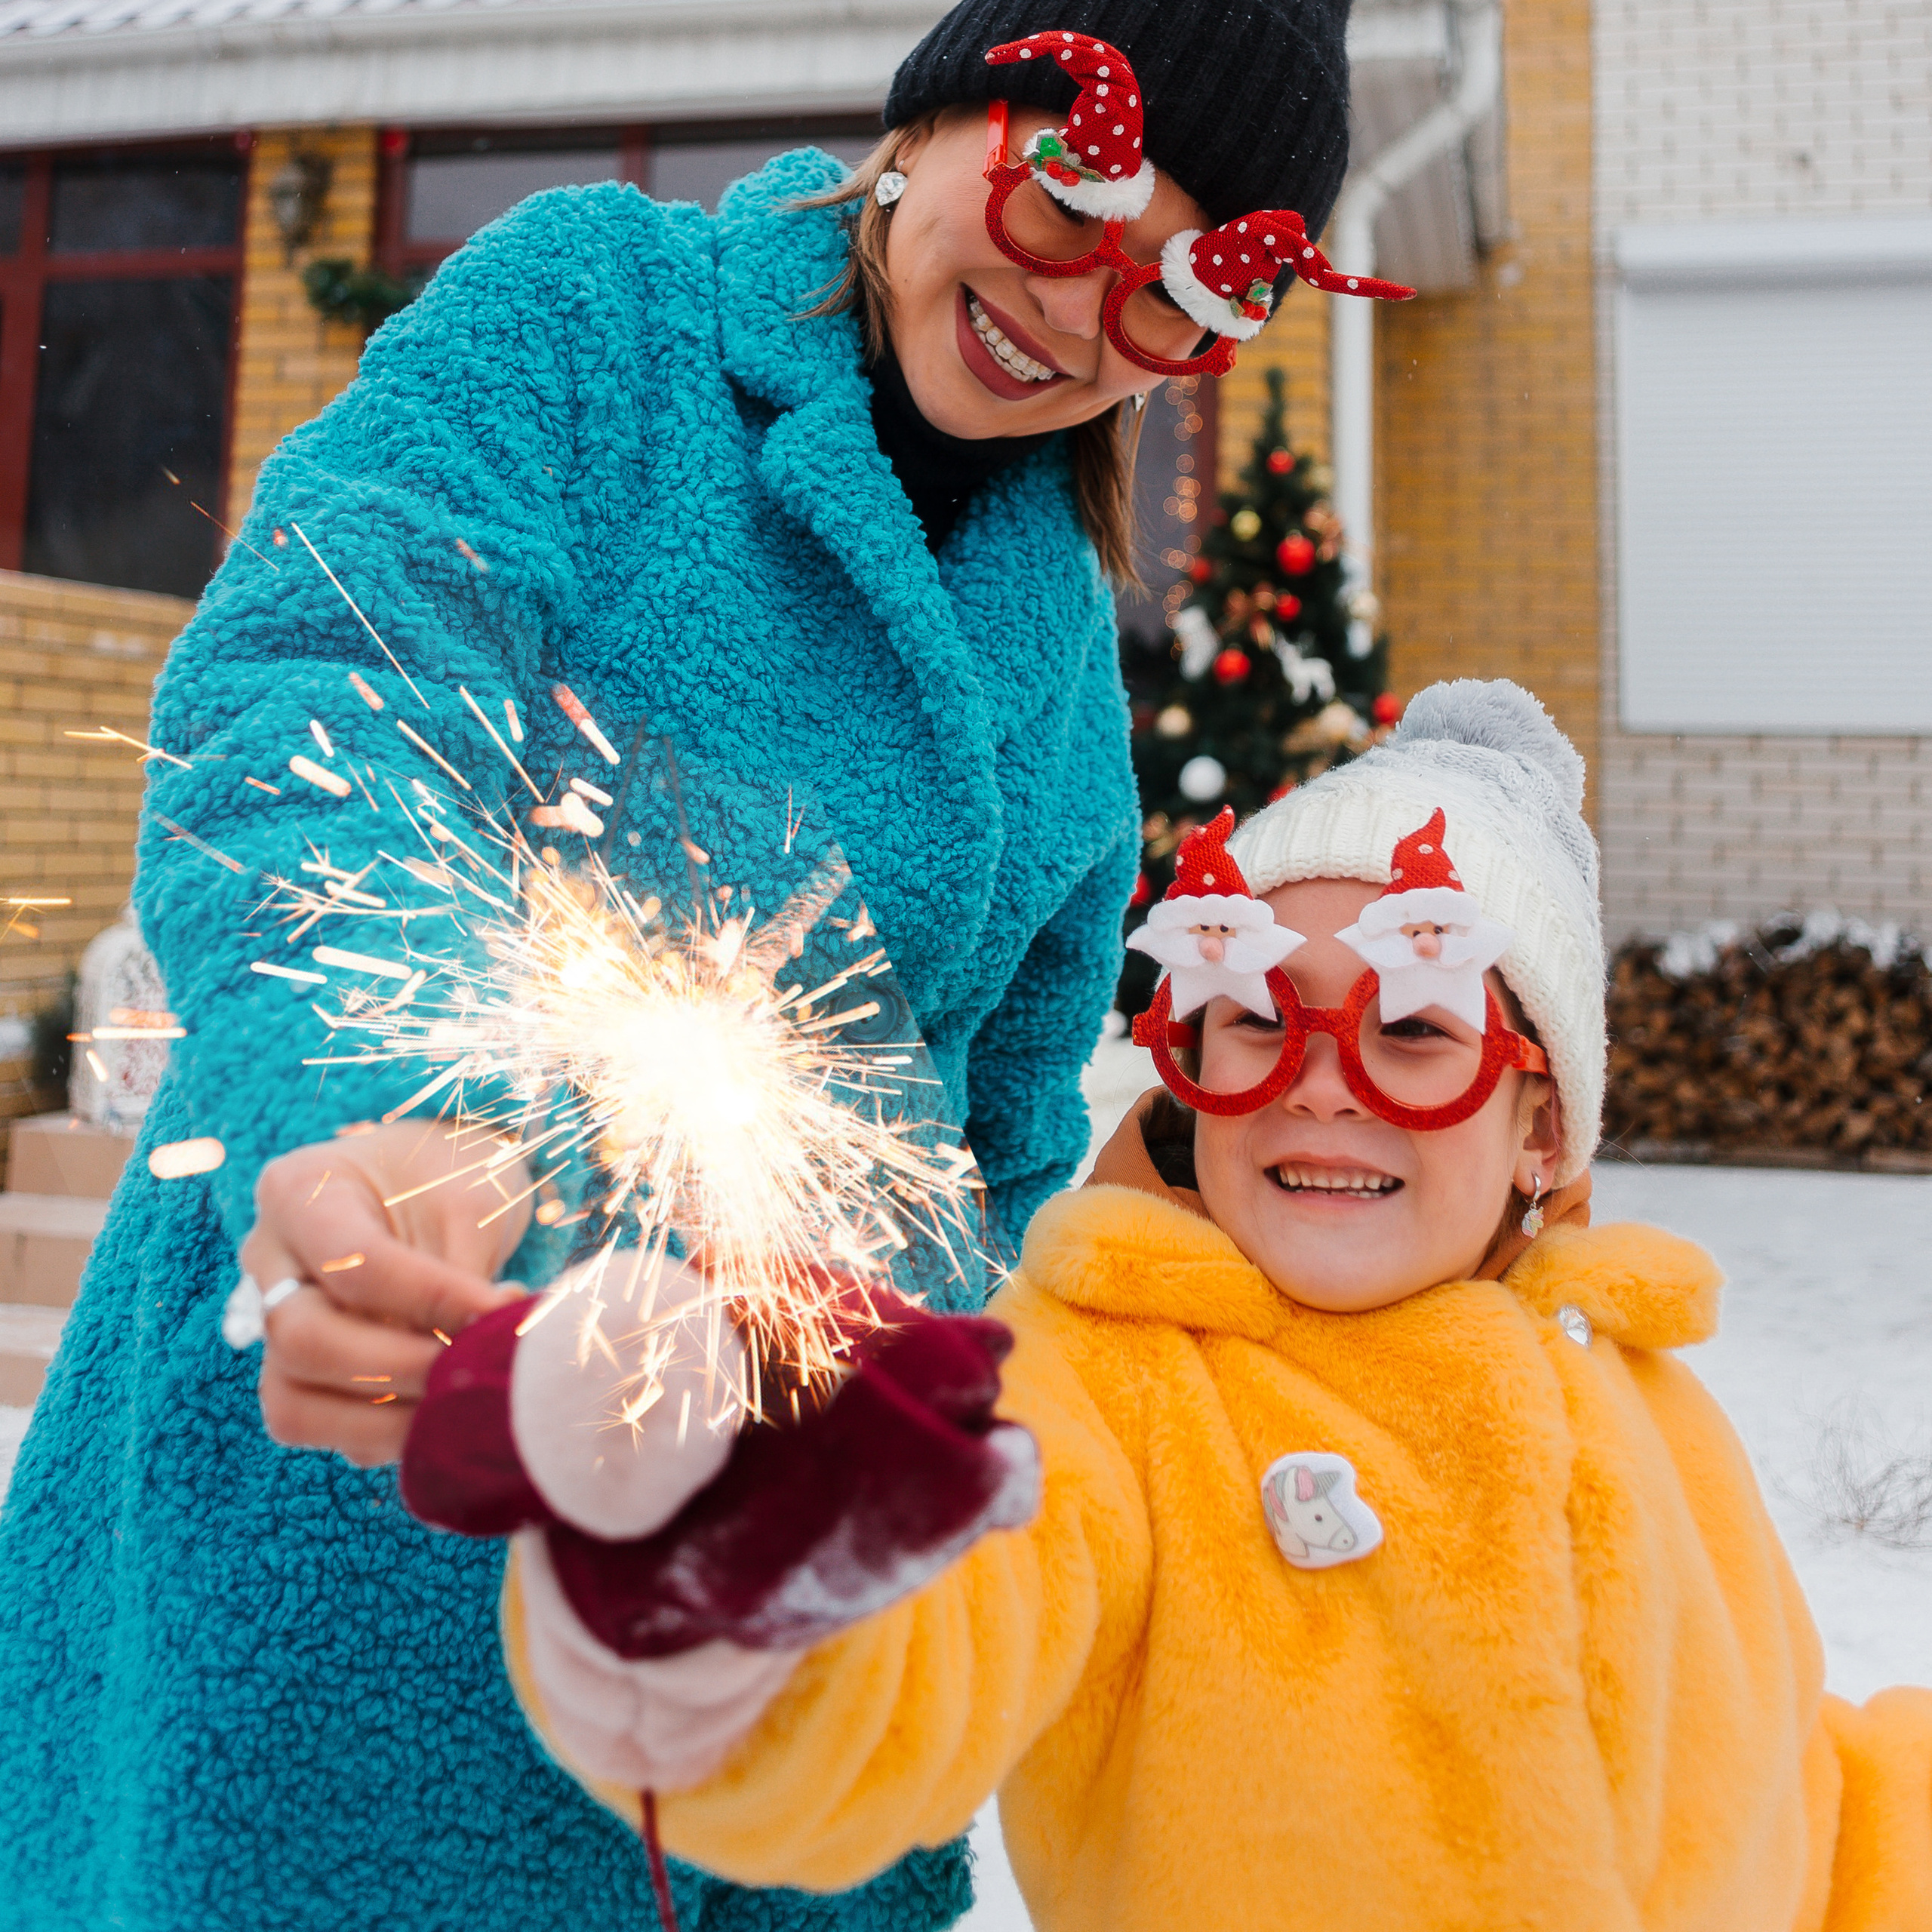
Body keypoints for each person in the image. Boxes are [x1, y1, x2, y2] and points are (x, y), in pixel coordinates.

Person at [0, 0, 1398, 1932]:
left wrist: (905, 1482)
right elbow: (330, 685)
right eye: (1064, 204)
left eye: (1188, 293)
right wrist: (393, 1107)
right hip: (369, 1496)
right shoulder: (597, 318)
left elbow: (999, 1142)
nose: (1088, 312)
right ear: (933, 117)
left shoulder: (1057, 671)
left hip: (774, 1593)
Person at [406, 682, 1932, 1932]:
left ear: (1543, 1129)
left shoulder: (1641, 1389)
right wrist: (741, 1570)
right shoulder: (1118, 1388)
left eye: (1411, 1031)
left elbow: (1801, 1802)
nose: (1323, 1085)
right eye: (1252, 1026)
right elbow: (938, 1652)